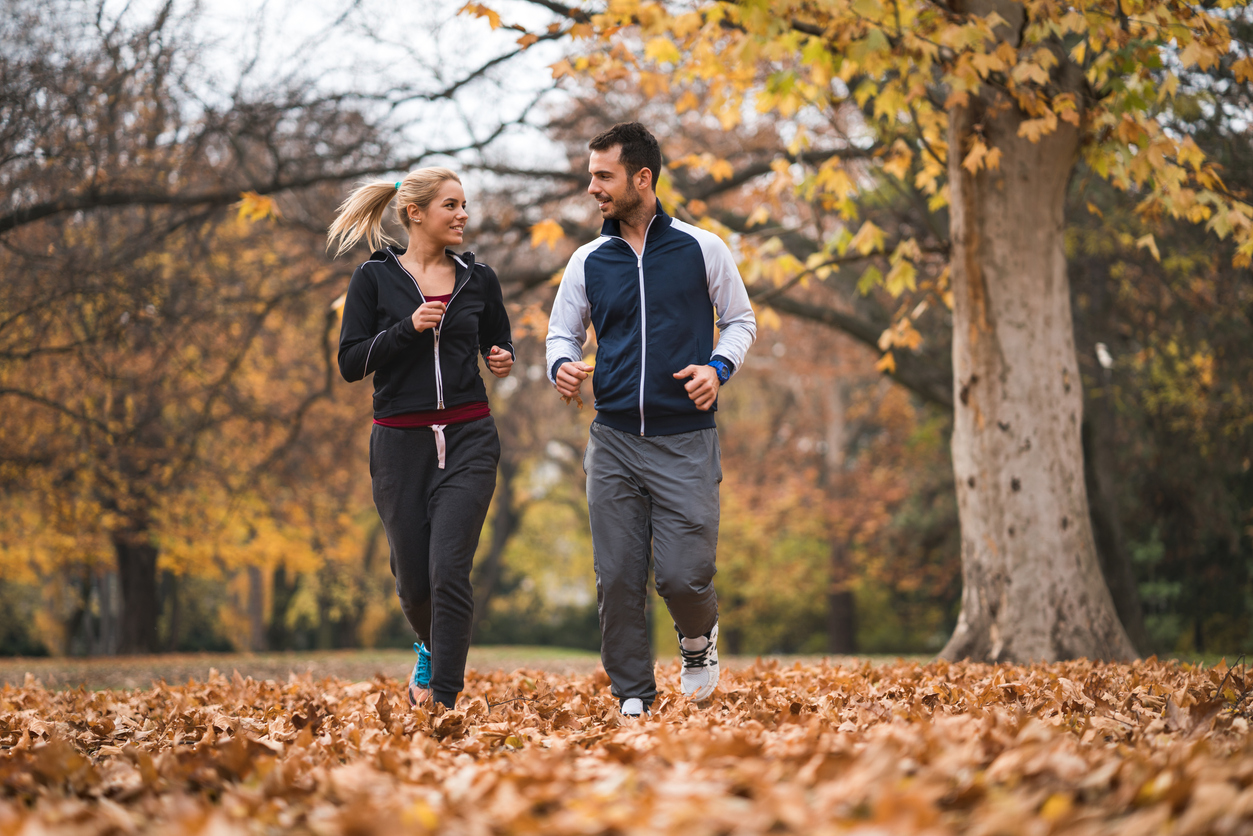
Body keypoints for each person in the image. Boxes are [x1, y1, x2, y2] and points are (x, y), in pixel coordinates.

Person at [546, 123, 757, 718]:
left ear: (643, 178)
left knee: (684, 577)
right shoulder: (589, 260)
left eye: (603, 176)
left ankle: (697, 642)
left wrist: (718, 368)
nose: (593, 189)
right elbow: (562, 332)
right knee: (616, 577)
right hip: (612, 439)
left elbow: (741, 321)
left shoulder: (702, 248)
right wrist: (560, 363)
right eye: (591, 176)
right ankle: (633, 695)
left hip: (684, 440)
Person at [328, 167, 514, 710]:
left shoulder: (480, 279)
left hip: (469, 437)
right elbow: (349, 362)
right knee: (413, 582)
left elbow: (496, 340)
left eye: (464, 205)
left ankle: (444, 701)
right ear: (416, 213)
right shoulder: (374, 279)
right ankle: (431, 650)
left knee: (449, 570)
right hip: (399, 444)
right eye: (450, 205)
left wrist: (500, 357)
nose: (462, 215)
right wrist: (405, 330)